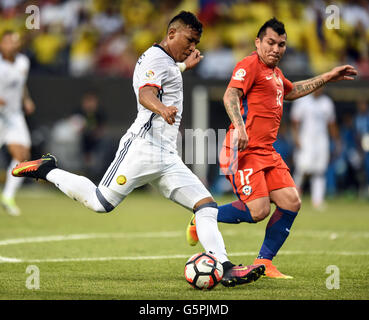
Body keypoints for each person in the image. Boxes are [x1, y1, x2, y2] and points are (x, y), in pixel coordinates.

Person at [12, 11, 265, 287]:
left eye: (196, 42)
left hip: (167, 156)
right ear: (171, 34)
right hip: (142, 149)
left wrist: (182, 68)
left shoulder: (165, 61)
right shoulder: (155, 59)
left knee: (206, 205)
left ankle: (224, 266)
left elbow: (162, 77)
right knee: (100, 203)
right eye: (189, 40)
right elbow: (145, 93)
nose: (193, 47)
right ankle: (48, 169)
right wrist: (161, 107)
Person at [186, 17, 357, 279]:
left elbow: (291, 91)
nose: (276, 48)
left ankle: (265, 262)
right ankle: (204, 217)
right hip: (242, 150)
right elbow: (230, 95)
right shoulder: (250, 64)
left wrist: (327, 77)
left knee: (292, 202)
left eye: (281, 44)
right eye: (270, 42)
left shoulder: (276, 74)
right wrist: (240, 127)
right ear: (258, 42)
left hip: (266, 151)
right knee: (259, 212)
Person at [0, 30, 36, 216]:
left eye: (14, 42)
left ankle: (7, 196)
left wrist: (26, 99)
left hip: (13, 115)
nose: (11, 45)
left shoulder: (23, 62)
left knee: (22, 154)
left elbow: (21, 84)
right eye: (7, 42)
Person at [290, 87, 340, 210]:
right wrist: (296, 138)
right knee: (302, 168)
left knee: (319, 170)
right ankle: (292, 197)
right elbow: (295, 121)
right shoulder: (302, 101)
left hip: (321, 140)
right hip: (306, 139)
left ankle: (317, 200)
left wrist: (337, 140)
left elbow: (331, 123)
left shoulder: (327, 103)